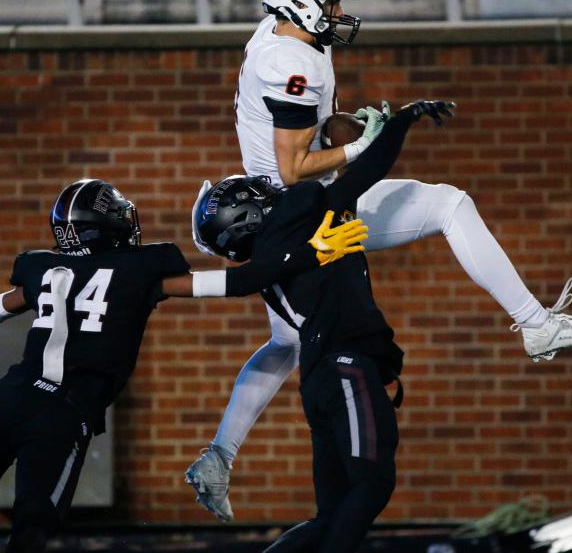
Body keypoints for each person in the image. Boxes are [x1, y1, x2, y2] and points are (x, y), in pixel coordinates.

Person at [185, 0, 572, 522]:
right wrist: (364, 145)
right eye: (329, 3)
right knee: (448, 205)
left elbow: (310, 131)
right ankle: (538, 326)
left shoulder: (281, 38)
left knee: (288, 342)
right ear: (300, 1)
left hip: (283, 213)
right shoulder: (292, 61)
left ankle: (217, 456)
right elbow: (292, 167)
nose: (338, 13)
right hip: (301, 211)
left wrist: (356, 126)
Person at [0, 178, 366, 553]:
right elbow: (237, 282)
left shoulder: (43, 269)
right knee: (34, 524)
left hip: (7, 399)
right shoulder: (143, 269)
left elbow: (3, 303)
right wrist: (309, 255)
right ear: (112, 226)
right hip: (60, 414)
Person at [194, 99, 456, 552]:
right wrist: (401, 122)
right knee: (373, 485)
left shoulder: (266, 262)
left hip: (320, 378)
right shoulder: (298, 212)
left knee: (332, 514)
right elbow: (365, 174)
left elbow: (239, 283)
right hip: (346, 368)